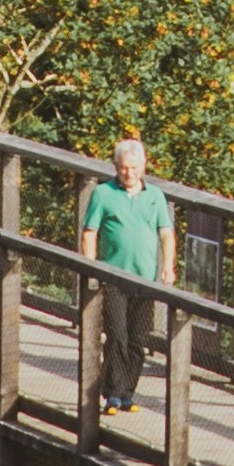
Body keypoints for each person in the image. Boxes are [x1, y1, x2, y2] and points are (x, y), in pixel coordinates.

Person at [78, 131, 176, 417]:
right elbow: (89, 233)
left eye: (134, 167)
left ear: (144, 166)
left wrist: (168, 265)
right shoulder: (103, 194)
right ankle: (111, 394)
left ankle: (127, 392)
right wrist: (92, 267)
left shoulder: (155, 196)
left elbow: (167, 233)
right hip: (113, 278)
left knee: (138, 341)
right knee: (117, 336)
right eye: (123, 167)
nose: (129, 172)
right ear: (115, 166)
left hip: (144, 280)